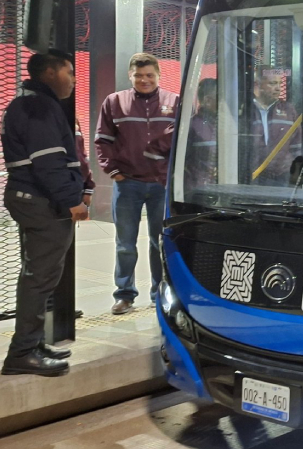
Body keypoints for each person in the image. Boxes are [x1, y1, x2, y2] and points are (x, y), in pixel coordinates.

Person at [1, 52, 89, 377]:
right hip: (41, 202)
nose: (74, 79)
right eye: (69, 71)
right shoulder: (38, 106)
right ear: (50, 73)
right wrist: (72, 200)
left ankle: (33, 343)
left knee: (37, 275)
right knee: (40, 278)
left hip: (31, 199)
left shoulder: (30, 103)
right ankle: (23, 353)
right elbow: (48, 161)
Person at [95, 53, 179, 315]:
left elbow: (184, 141)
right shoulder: (114, 102)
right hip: (127, 184)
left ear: (158, 75)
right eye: (139, 75)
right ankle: (124, 294)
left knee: (159, 242)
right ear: (130, 76)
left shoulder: (174, 102)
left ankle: (159, 292)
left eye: (149, 75)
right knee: (125, 244)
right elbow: (102, 140)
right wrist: (112, 170)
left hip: (161, 185)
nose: (144, 80)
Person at [248, 69, 302, 186]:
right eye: (272, 83)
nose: (278, 88)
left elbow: (296, 146)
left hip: (282, 177)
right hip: (252, 176)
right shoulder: (246, 110)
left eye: (279, 83)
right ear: (257, 85)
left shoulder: (288, 111)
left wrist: (296, 173)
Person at [184, 78, 218, 188]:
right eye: (221, 98)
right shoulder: (191, 126)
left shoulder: (226, 126)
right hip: (198, 189)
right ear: (208, 101)